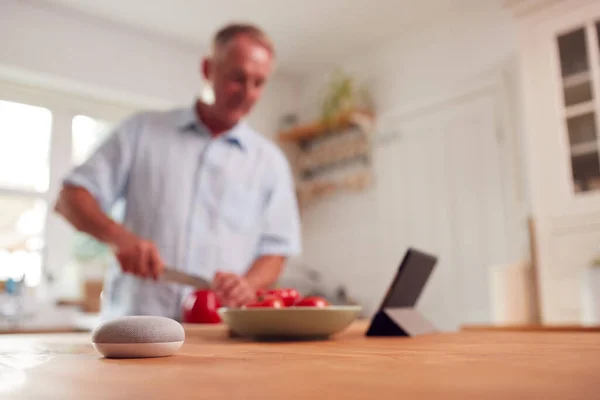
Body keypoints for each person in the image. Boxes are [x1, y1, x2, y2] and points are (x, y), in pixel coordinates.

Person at [54, 23, 301, 321]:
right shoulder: (142, 130)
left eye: (259, 83)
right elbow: (71, 198)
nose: (247, 93)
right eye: (238, 78)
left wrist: (247, 285)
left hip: (222, 335)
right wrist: (119, 237)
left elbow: (277, 249)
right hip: (135, 328)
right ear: (208, 68)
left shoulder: (270, 161)